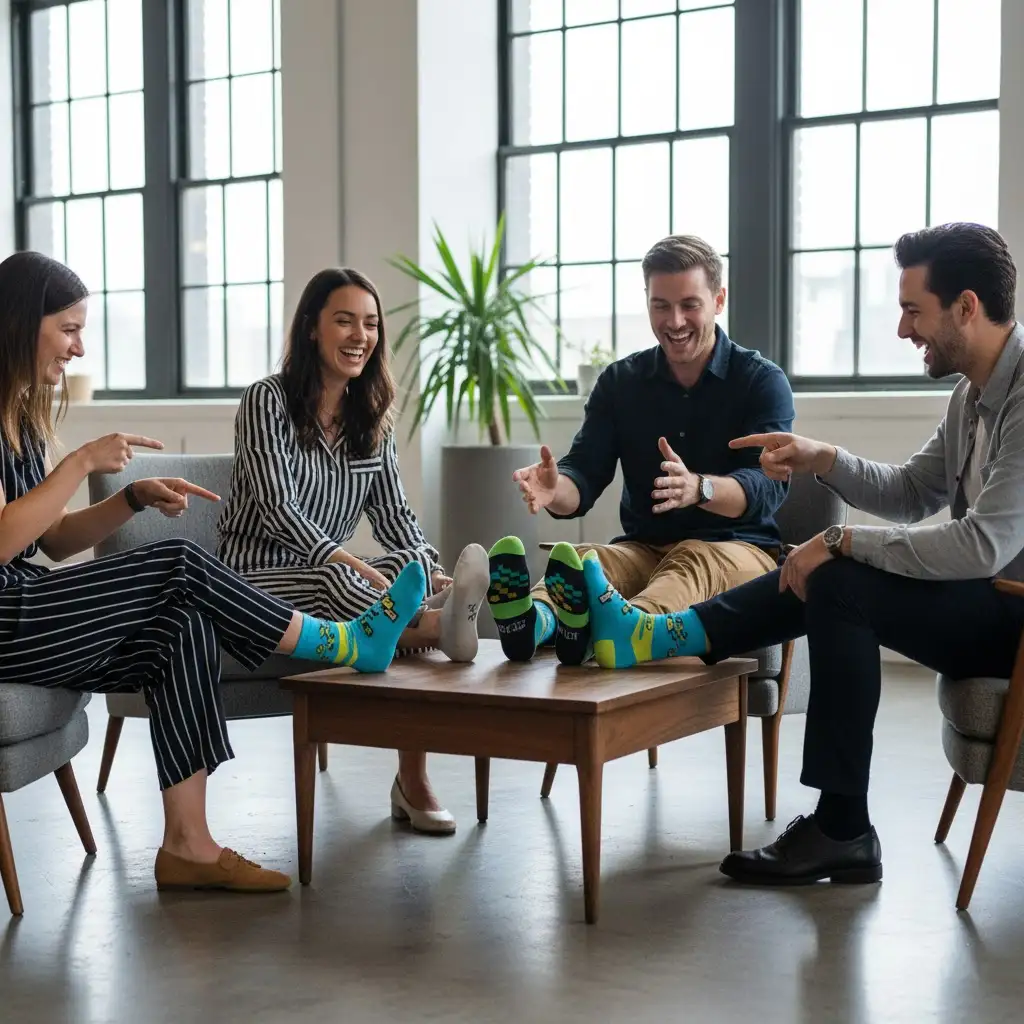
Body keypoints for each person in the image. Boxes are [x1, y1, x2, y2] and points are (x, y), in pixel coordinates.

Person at [580, 222, 1024, 887]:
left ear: (965, 306)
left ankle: (840, 827)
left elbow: (984, 544)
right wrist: (825, 459)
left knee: (841, 579)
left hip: (1011, 614)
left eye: (913, 310)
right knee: (838, 580)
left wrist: (842, 539)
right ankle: (659, 636)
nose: (903, 330)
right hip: (988, 603)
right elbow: (912, 492)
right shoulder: (972, 396)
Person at [0, 251, 430, 894]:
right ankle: (341, 641)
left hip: (30, 604)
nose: (79, 347)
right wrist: (82, 461)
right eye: (68, 329)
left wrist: (129, 499)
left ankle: (187, 846)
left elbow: (53, 543)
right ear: (19, 322)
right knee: (177, 561)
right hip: (8, 616)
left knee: (182, 624)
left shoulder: (23, 421)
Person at [217, 267, 488, 835]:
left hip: (335, 576)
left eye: (369, 324)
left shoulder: (373, 417)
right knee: (349, 583)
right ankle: (440, 633)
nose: (359, 335)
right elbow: (276, 510)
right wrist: (351, 563)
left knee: (397, 573)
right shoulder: (266, 400)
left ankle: (429, 619)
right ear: (312, 328)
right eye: (344, 320)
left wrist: (427, 569)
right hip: (255, 575)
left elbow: (394, 515)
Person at [486, 234, 795, 667]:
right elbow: (586, 473)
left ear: (719, 299)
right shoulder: (620, 383)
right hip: (644, 548)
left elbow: (768, 486)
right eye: (661, 306)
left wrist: (700, 489)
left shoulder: (762, 381)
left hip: (739, 550)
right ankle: (534, 623)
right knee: (587, 560)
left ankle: (627, 628)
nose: (675, 321)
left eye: (690, 304)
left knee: (691, 560)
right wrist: (556, 490)